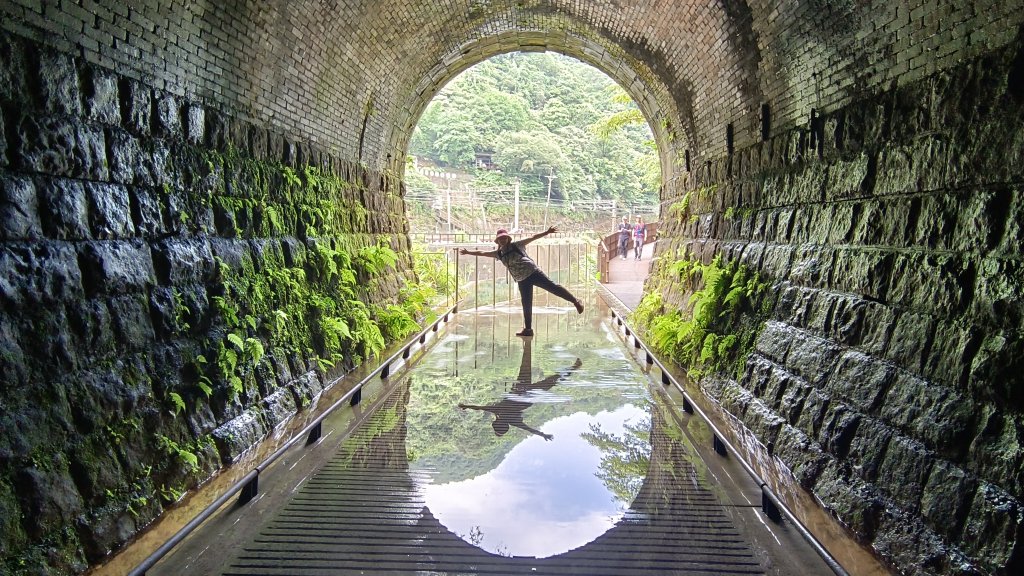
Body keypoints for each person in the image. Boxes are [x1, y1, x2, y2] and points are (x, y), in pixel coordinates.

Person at [459, 227, 584, 337]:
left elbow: (532, 237)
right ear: (498, 241)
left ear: (508, 239)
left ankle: (576, 301)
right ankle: (528, 329)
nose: (503, 240)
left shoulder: (517, 245)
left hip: (533, 272)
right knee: (526, 303)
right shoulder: (498, 253)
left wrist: (547, 232)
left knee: (553, 287)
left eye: (504, 238)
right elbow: (482, 253)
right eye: (500, 239)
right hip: (521, 279)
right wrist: (468, 252)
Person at [458, 338, 582, 440]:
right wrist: (465, 406)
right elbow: (479, 408)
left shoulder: (511, 420)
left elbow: (528, 429)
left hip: (530, 396)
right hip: (521, 389)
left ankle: (574, 367)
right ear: (497, 423)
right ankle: (527, 342)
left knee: (552, 381)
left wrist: (543, 435)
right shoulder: (497, 411)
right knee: (526, 364)